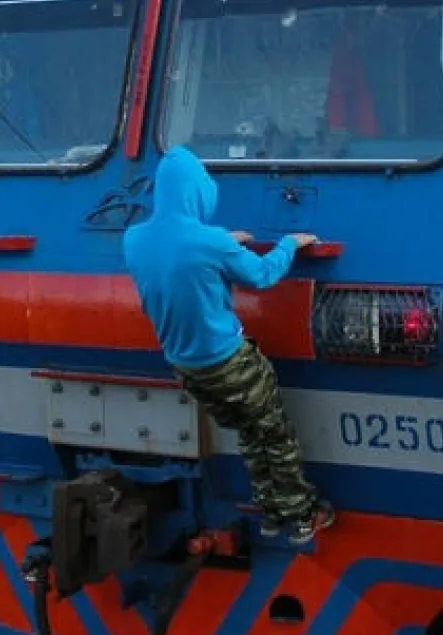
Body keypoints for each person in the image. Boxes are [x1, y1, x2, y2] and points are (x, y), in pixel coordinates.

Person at [123, 146, 335, 545]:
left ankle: (270, 512)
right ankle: (301, 513)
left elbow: (178, 254)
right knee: (274, 433)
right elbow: (261, 275)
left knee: (249, 432)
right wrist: (290, 243)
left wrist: (223, 242)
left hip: (185, 368)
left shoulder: (134, 240)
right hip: (228, 362)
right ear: (196, 192)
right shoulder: (210, 244)